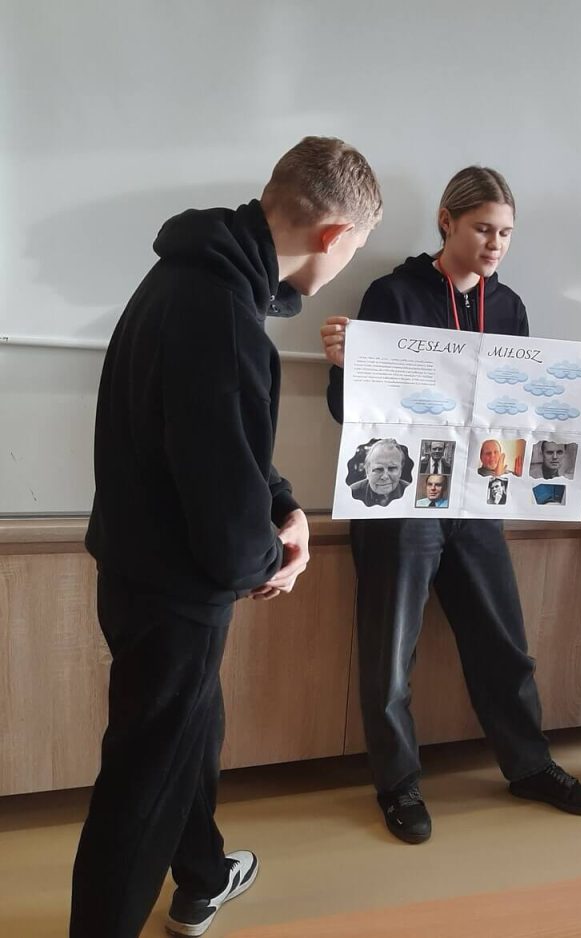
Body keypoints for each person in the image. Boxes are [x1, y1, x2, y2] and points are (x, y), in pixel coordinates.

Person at [71, 136, 381, 938]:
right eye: (354, 250)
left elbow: (222, 443)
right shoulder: (222, 314)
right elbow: (220, 504)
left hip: (138, 567)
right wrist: (272, 559)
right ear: (332, 235)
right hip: (176, 589)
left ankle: (203, 875)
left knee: (189, 730)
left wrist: (286, 506)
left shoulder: (192, 277)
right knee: (143, 780)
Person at [322, 166, 581, 844]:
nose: (494, 244)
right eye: (482, 228)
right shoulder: (393, 293)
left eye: (505, 232)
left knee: (503, 642)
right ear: (446, 221)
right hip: (399, 505)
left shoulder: (510, 308)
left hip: (477, 499)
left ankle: (528, 765)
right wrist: (344, 368)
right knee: (391, 652)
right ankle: (397, 784)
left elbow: (522, 416)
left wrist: (574, 379)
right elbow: (347, 412)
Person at [350, 438, 411, 506]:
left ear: (400, 470)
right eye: (378, 469)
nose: (385, 477)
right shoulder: (352, 492)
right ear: (367, 470)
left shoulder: (411, 492)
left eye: (392, 468)